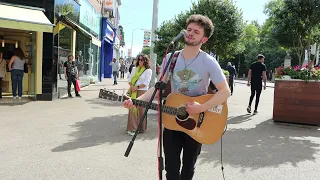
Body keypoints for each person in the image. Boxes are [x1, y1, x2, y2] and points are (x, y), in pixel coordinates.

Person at [123, 14, 230, 180]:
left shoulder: (208, 62)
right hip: (172, 120)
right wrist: (136, 101)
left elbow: (225, 91)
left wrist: (201, 107)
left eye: (196, 31)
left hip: (197, 122)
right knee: (171, 170)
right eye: (189, 29)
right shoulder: (170, 58)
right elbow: (157, 88)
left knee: (188, 169)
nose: (191, 33)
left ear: (204, 39)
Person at [126, 54, 152, 136]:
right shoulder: (134, 69)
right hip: (133, 90)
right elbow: (129, 78)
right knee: (132, 108)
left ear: (145, 61)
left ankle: (141, 128)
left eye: (142, 60)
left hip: (142, 91)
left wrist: (136, 87)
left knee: (142, 110)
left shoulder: (148, 71)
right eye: (139, 59)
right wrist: (132, 86)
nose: (140, 61)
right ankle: (132, 129)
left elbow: (146, 83)